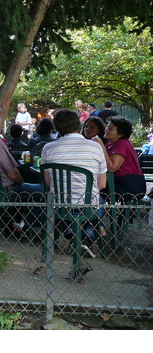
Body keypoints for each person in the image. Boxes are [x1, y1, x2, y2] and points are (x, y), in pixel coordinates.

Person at [41, 109, 107, 255]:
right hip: (87, 203)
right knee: (99, 202)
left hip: (59, 204)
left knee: (92, 204)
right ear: (79, 124)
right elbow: (102, 185)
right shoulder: (95, 147)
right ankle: (84, 238)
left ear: (56, 127)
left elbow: (47, 183)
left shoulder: (48, 148)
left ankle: (73, 233)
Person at [94, 117, 146, 203]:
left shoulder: (122, 143)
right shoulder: (110, 143)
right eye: (107, 127)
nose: (106, 130)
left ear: (120, 134)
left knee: (93, 190)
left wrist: (102, 146)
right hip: (118, 182)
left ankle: (93, 215)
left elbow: (112, 167)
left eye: (110, 129)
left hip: (130, 186)